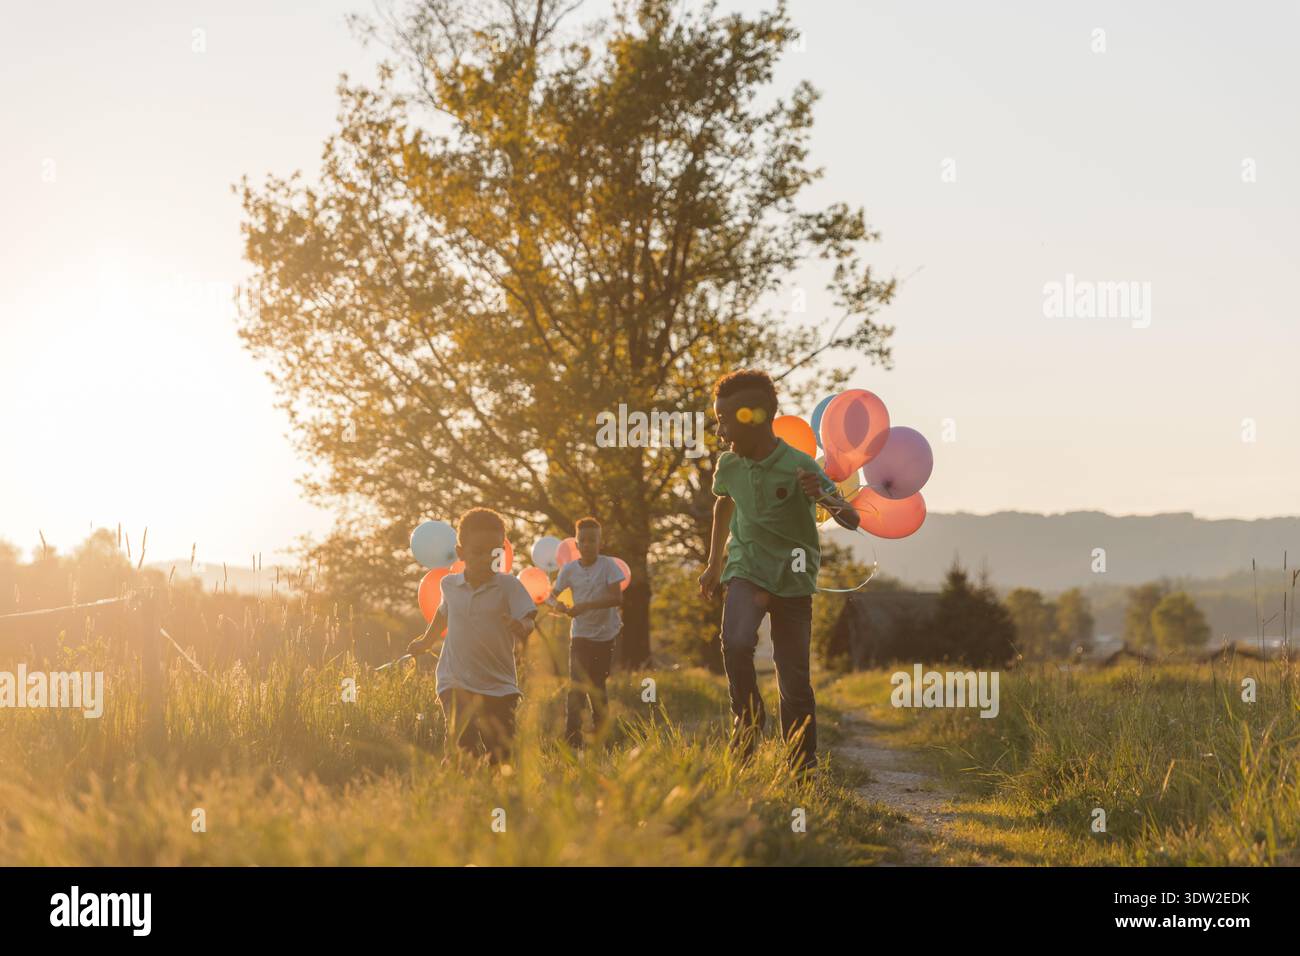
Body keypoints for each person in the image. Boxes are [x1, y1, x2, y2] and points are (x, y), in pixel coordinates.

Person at [698, 369, 859, 773]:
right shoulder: (729, 465)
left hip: (792, 580)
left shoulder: (799, 465)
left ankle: (801, 767)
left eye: (725, 420)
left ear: (755, 418)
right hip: (746, 569)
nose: (719, 431)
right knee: (734, 642)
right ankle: (748, 716)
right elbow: (723, 504)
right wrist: (714, 563)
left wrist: (822, 494)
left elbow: (852, 519)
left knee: (794, 681)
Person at [408, 507, 537, 764]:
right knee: (463, 745)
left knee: (500, 752)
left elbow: (528, 616)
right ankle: (456, 784)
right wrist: (426, 641)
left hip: (499, 684)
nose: (486, 559)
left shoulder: (508, 586)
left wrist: (521, 626)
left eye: (494, 552)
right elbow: (443, 614)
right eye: (478, 552)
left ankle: (494, 793)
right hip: (455, 680)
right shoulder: (449, 585)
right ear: (461, 553)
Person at [553, 516, 625, 747]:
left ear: (599, 543)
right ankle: (572, 739)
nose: (587, 545)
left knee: (597, 686)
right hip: (580, 635)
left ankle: (602, 738)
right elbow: (553, 596)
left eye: (592, 540)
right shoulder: (569, 570)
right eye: (583, 540)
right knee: (576, 686)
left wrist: (587, 605)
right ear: (576, 544)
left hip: (605, 635)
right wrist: (560, 606)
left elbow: (617, 597)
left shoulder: (608, 566)